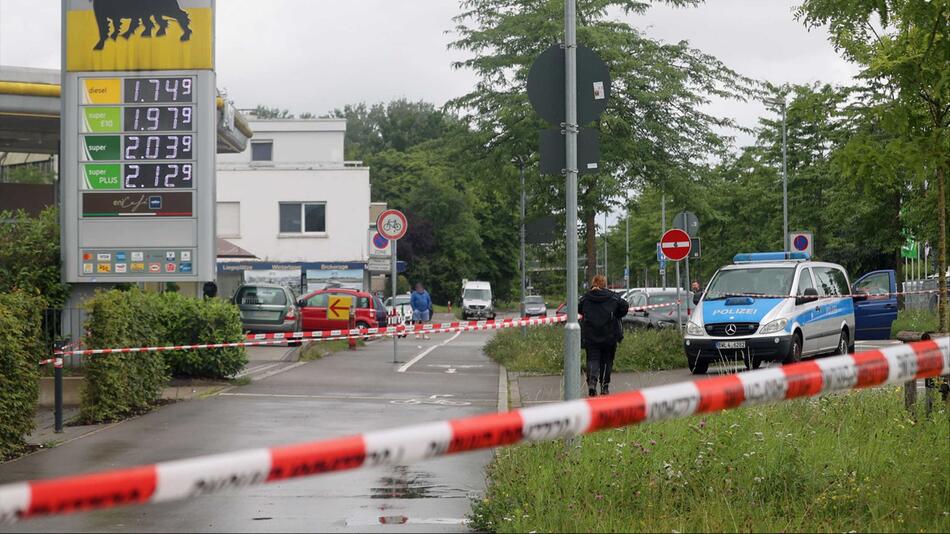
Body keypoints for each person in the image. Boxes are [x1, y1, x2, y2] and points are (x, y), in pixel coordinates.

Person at [579, 274, 629, 397]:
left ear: (593, 283)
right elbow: (625, 306)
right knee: (607, 361)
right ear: (604, 284)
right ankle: (604, 387)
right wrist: (617, 314)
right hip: (609, 335)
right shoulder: (613, 297)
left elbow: (579, 308)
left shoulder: (586, 298)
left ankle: (592, 383)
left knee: (592, 359)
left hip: (591, 335)